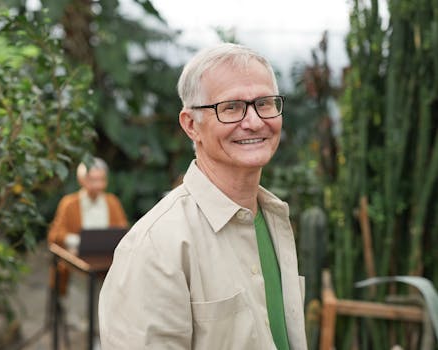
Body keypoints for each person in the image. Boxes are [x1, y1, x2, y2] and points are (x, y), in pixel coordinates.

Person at [98, 43, 307, 349]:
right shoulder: (156, 246)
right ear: (191, 125)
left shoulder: (273, 220)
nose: (253, 121)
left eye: (264, 103)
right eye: (231, 107)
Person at [48, 157, 128, 295]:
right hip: (77, 265)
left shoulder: (112, 202)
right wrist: (78, 241)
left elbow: (123, 232)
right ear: (82, 180)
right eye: (93, 180)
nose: (97, 185)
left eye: (101, 180)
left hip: (106, 266)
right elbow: (54, 235)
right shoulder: (69, 204)